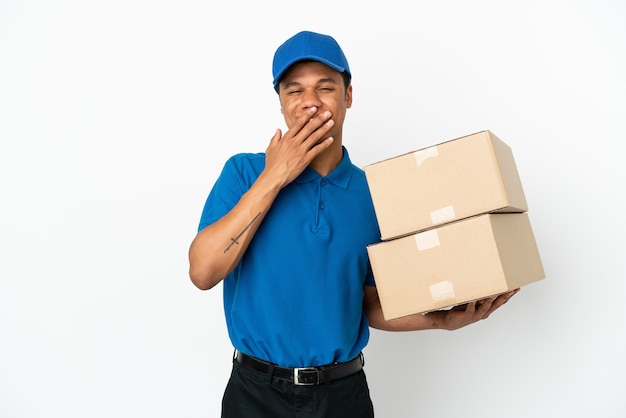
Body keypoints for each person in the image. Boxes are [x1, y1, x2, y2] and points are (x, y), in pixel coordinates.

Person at [188, 30, 519, 418]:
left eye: (325, 87)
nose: (309, 103)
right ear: (281, 103)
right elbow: (204, 271)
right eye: (294, 91)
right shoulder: (244, 173)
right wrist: (275, 177)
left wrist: (440, 320)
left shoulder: (374, 194)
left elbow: (367, 301)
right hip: (255, 396)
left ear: (348, 95)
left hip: (342, 396)